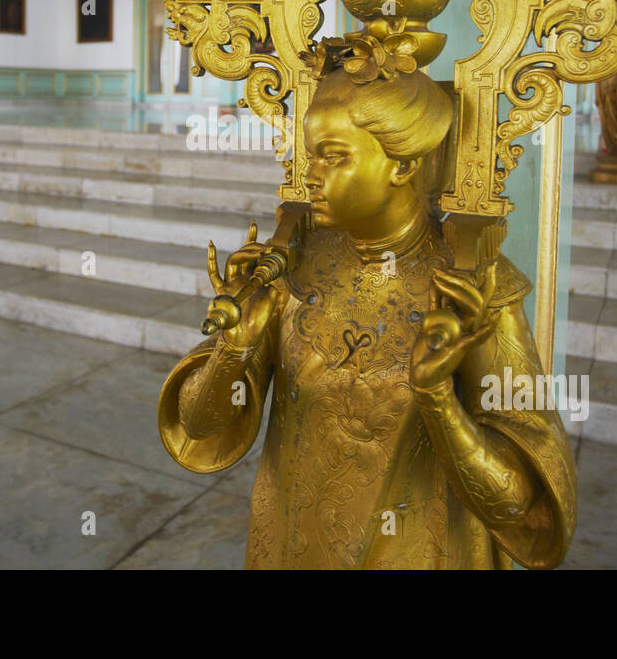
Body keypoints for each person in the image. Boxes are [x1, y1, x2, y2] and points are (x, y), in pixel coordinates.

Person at [157, 35, 576, 568]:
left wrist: (439, 400)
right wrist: (234, 350)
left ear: (403, 165)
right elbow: (198, 431)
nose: (312, 176)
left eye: (334, 158)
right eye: (312, 156)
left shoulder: (474, 289)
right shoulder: (291, 264)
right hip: (291, 544)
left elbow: (525, 511)